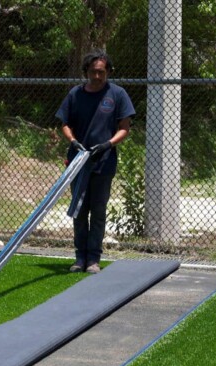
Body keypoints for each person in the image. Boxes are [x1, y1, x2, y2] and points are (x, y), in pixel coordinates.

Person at [55, 50, 135, 274]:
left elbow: (124, 128)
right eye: (93, 72)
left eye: (101, 72)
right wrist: (73, 141)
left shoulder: (118, 94)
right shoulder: (75, 94)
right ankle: (79, 258)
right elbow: (64, 123)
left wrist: (107, 145)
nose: (97, 76)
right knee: (79, 211)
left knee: (98, 211)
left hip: (103, 162)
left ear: (108, 72)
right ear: (86, 72)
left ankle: (94, 259)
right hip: (78, 163)